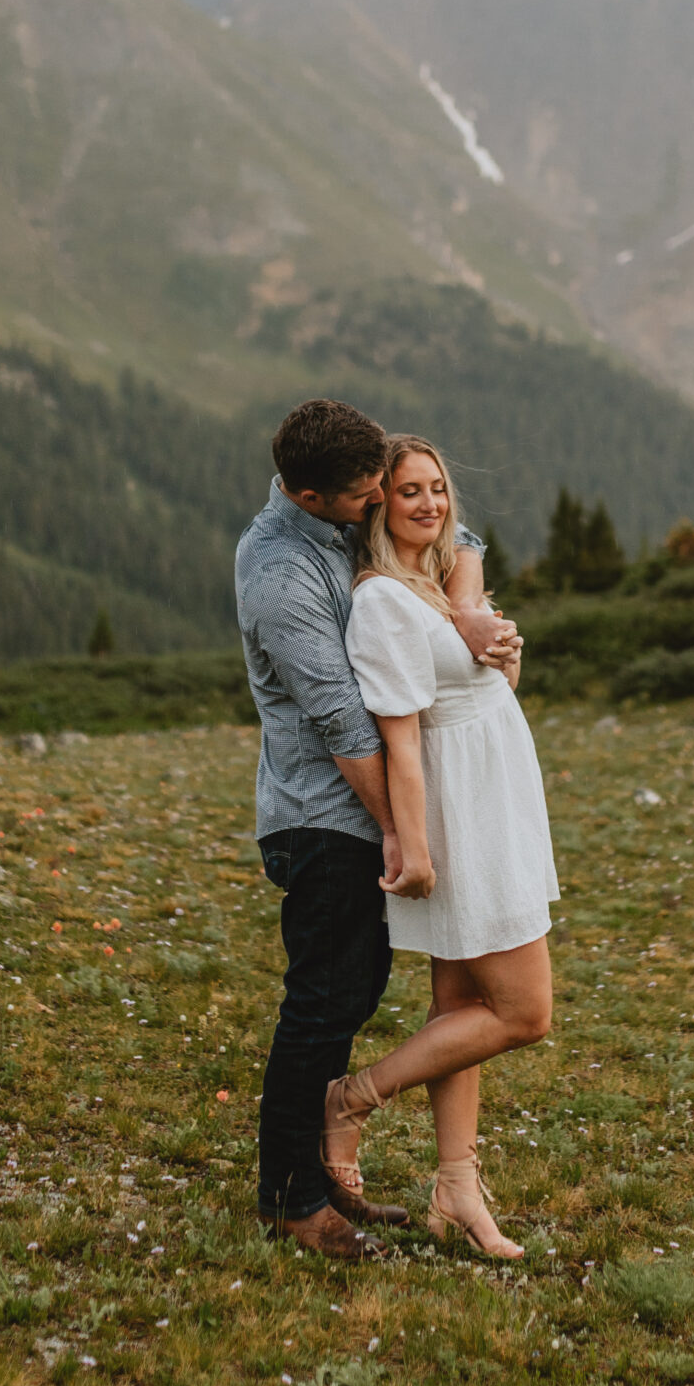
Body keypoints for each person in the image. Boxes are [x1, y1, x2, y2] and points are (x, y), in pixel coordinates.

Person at [235, 398, 518, 1259]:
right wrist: (402, 829)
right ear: (312, 493)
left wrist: (465, 611)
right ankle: (290, 1198)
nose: (377, 505)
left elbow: (455, 537)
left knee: (352, 995)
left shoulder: (338, 519)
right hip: (323, 817)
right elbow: (342, 722)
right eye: (364, 497)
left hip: (361, 814)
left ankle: (317, 1178)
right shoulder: (283, 574)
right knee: (321, 1003)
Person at [321, 433, 557, 1260]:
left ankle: (456, 1186)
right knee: (523, 1014)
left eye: (438, 489)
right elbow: (404, 741)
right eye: (410, 491)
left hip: (498, 794)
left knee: (460, 1010)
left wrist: (505, 656)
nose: (429, 504)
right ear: (379, 501)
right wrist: (411, 846)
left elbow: (481, 689)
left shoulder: (433, 586)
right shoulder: (384, 600)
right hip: (464, 814)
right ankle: (351, 1099)